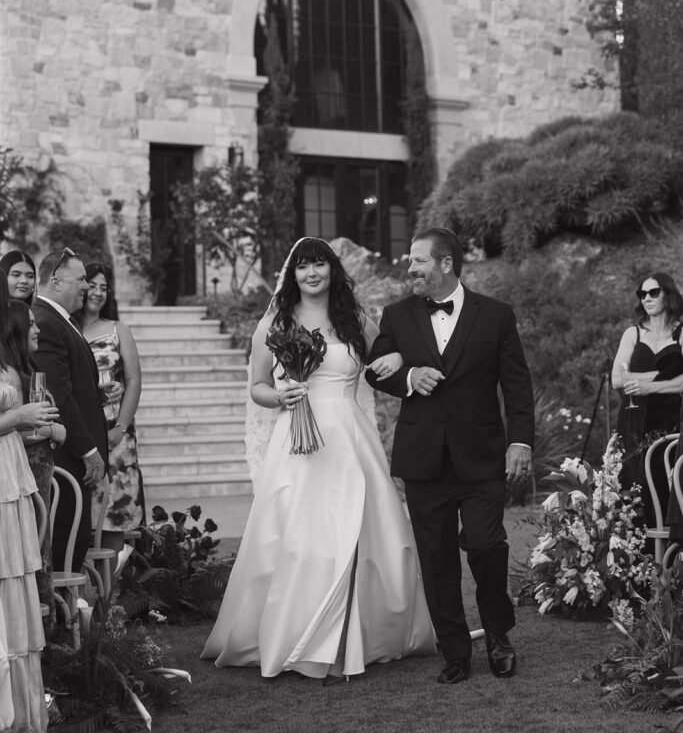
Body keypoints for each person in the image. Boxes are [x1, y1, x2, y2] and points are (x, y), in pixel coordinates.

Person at [201, 237, 436, 680]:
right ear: (292, 274)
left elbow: (390, 352)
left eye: (319, 265)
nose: (311, 273)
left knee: (363, 531)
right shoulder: (275, 322)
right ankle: (296, 634)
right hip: (297, 440)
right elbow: (257, 387)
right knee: (299, 537)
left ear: (332, 270)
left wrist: (398, 357)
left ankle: (361, 636)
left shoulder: (354, 319)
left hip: (350, 437)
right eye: (303, 266)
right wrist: (281, 395)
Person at [365, 227, 535, 685]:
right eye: (411, 261)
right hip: (424, 459)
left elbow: (517, 384)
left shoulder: (496, 315)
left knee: (485, 545)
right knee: (436, 558)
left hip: (481, 457)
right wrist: (408, 375)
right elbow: (375, 371)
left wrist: (520, 441)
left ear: (446, 264)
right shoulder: (397, 315)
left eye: (419, 260)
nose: (411, 269)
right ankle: (455, 651)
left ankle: (497, 633)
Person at [0, 269, 58, 731]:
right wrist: (17, 415)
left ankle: (22, 710)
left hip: (11, 473)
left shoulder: (6, 360)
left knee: (14, 579)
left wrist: (29, 424)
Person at [32, 248, 108, 572]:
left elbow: (73, 385)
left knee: (74, 543)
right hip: (66, 455)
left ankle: (69, 601)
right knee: (64, 543)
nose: (87, 287)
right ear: (56, 281)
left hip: (74, 453)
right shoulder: (45, 322)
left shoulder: (62, 320)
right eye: (81, 280)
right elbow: (59, 396)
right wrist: (88, 450)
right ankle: (64, 604)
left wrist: (97, 394)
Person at [5, 299, 67, 630]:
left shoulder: (26, 370)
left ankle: (41, 630)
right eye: (30, 323)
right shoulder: (11, 375)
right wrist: (51, 430)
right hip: (18, 472)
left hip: (31, 474)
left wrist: (49, 429)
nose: (37, 328)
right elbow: (23, 429)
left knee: (33, 556)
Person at [75, 261, 144, 553]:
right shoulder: (67, 329)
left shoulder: (118, 329)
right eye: (92, 285)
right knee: (78, 520)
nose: (98, 292)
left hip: (115, 437)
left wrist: (120, 428)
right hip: (78, 436)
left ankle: (112, 583)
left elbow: (134, 380)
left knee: (115, 519)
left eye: (104, 288)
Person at [617, 273, 683, 539]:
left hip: (670, 420)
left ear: (668, 293)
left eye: (653, 292)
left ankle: (669, 553)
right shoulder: (632, 333)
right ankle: (633, 557)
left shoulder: (681, 332)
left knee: (667, 481)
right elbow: (617, 379)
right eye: (642, 294)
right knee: (634, 484)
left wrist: (648, 385)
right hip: (634, 418)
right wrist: (665, 376)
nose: (647, 298)